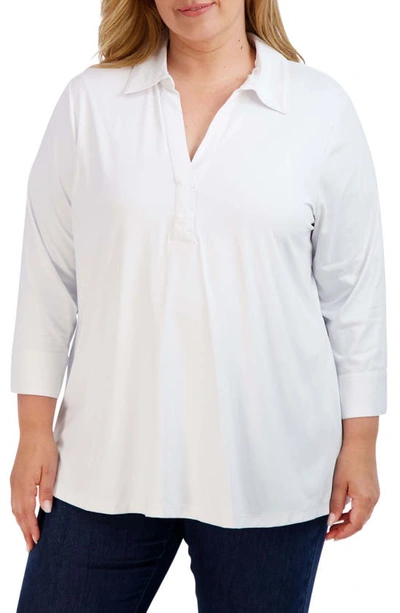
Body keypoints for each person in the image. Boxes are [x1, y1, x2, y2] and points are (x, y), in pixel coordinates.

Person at [10, 0, 387, 611]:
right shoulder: (90, 104)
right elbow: (48, 278)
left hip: (270, 471)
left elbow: (353, 296)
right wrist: (33, 431)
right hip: (106, 463)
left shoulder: (319, 110)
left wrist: (361, 444)